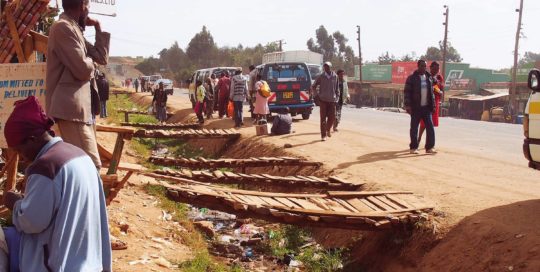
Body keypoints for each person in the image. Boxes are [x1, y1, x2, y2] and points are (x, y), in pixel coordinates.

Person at [2, 96, 112, 272]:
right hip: (90, 262)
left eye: (19, 149)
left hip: (59, 265)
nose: (21, 156)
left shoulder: (46, 167)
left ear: (32, 138)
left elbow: (32, 222)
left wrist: (15, 203)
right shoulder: (79, 155)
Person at [45, 0, 110, 168]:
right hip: (70, 110)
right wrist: (91, 63)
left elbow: (101, 58)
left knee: (82, 166)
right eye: (88, 7)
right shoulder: (63, 27)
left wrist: (98, 27)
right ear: (82, 6)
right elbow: (82, 69)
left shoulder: (75, 30)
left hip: (81, 110)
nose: (89, 12)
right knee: (91, 165)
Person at [404, 59, 436, 154]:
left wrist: (433, 106)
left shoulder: (428, 78)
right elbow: (406, 92)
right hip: (416, 107)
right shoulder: (411, 78)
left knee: (430, 127)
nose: (423, 68)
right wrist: (408, 106)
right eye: (422, 66)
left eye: (425, 66)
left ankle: (430, 147)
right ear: (418, 66)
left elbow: (432, 93)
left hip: (426, 108)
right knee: (414, 128)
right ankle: (413, 147)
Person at [312, 62, 339, 141]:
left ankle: (327, 130)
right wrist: (316, 96)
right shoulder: (321, 76)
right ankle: (323, 135)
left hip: (332, 100)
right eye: (325, 67)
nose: (326, 68)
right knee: (323, 119)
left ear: (331, 67)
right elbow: (313, 86)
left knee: (332, 117)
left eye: (327, 66)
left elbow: (337, 89)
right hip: (323, 100)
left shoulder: (335, 76)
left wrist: (337, 98)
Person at [418, 61, 444, 143]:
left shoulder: (439, 78)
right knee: (423, 123)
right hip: (426, 102)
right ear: (430, 68)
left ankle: (428, 143)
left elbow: (441, 90)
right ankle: (418, 139)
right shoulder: (426, 76)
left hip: (435, 102)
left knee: (431, 124)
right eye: (435, 68)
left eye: (438, 69)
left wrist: (440, 92)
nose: (436, 70)